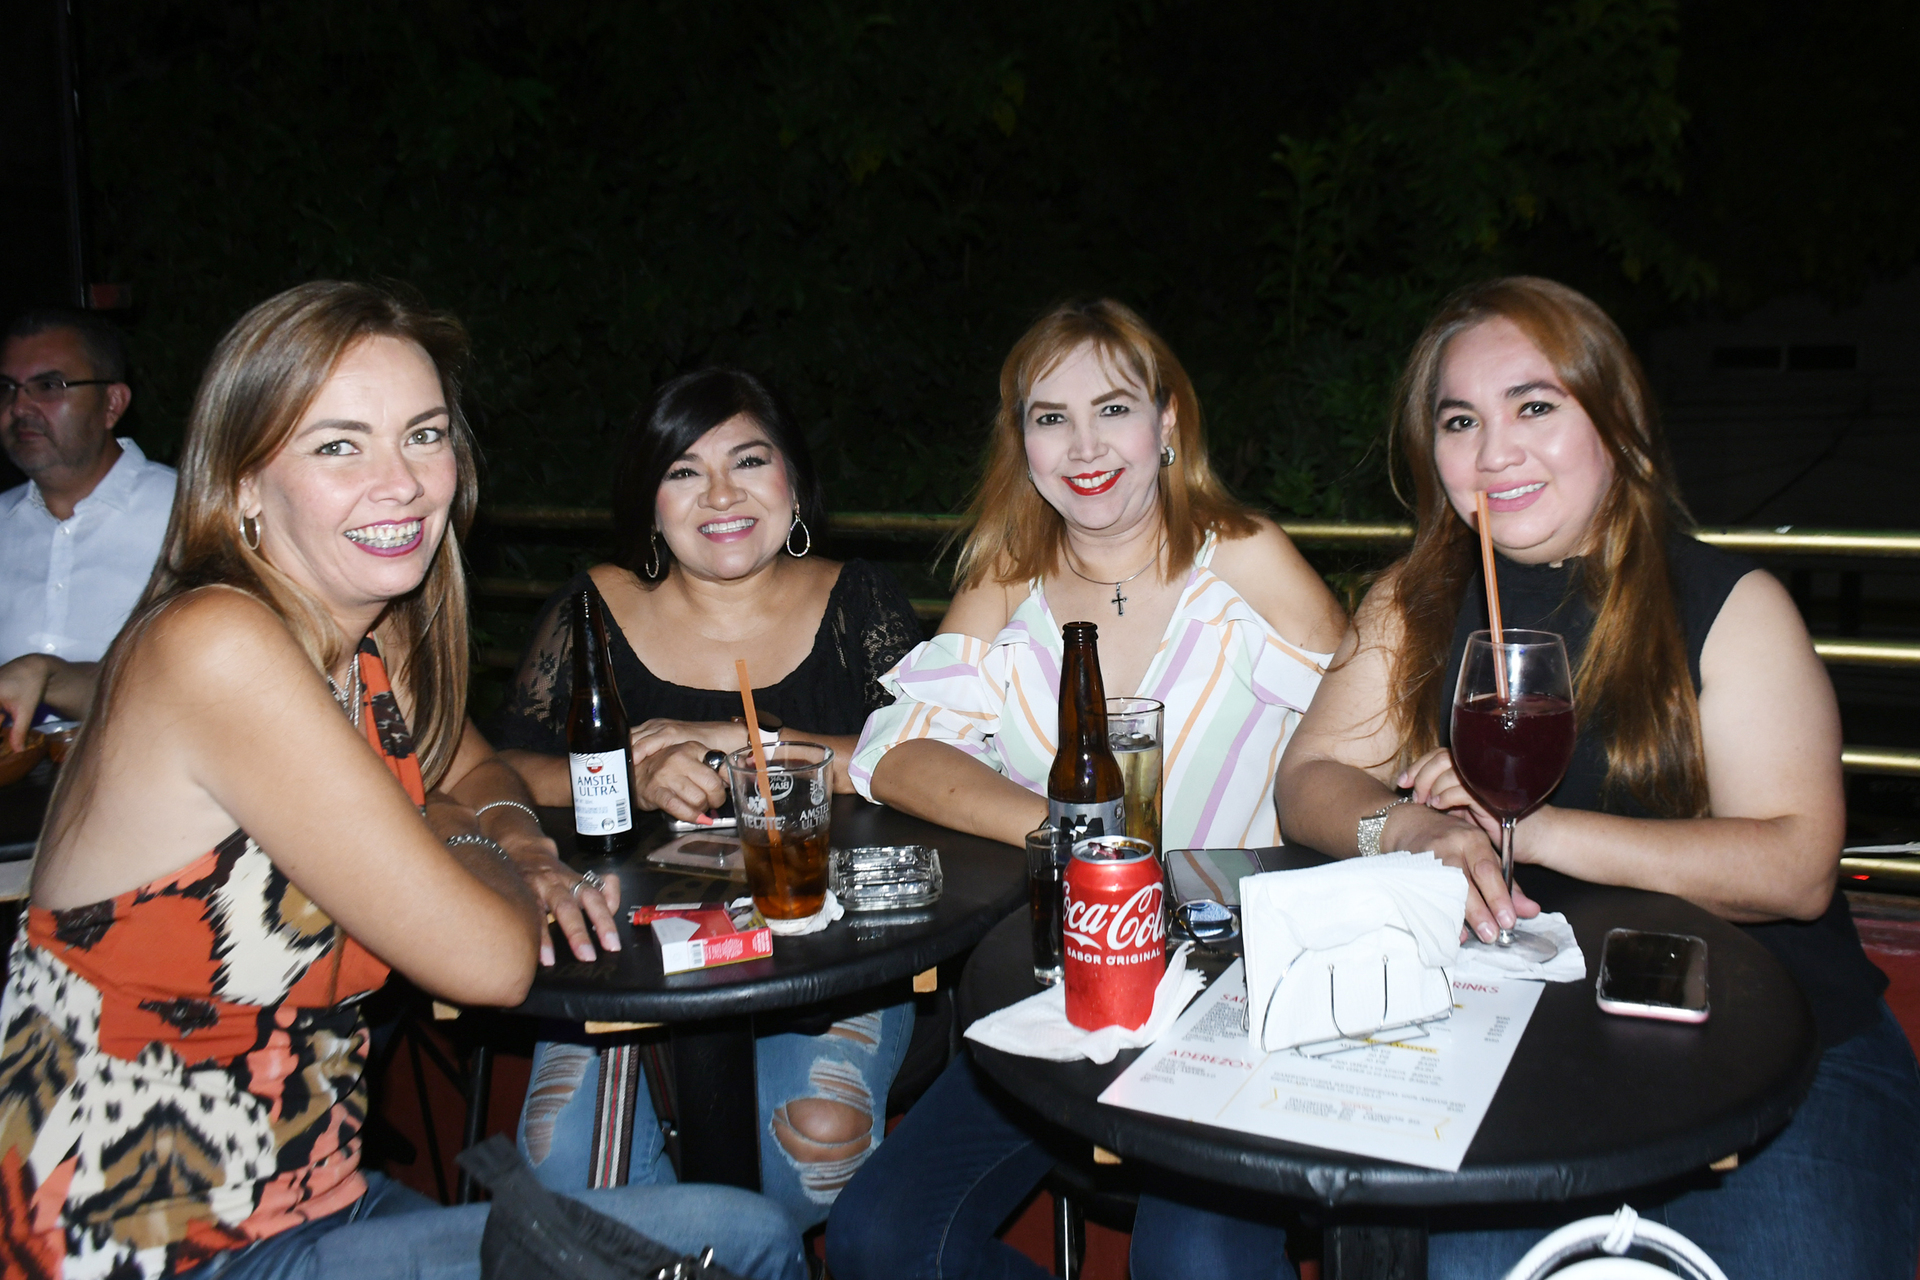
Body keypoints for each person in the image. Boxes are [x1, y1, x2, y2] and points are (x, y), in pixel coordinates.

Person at [0, 281, 804, 1280]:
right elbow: (490, 961)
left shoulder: (367, 643)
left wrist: (517, 843)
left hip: (314, 1195)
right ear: (243, 483)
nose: (404, 482)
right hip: (145, 1242)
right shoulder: (218, 644)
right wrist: (460, 829)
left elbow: (474, 765)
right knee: (744, 1240)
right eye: (339, 445)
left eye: (423, 436)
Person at [1260, 276, 1919, 1278]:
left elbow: (1795, 868)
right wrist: (1411, 830)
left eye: (1534, 406)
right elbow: (1309, 776)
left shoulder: (1728, 604)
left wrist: (1531, 829)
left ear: (1616, 419)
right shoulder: (1415, 601)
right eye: (1460, 421)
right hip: (1521, 1031)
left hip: (1782, 1034)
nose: (1494, 453)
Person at [825, 299, 1349, 1280]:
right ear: (1020, 441)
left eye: (1112, 408)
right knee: (880, 1238)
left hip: (1236, 986)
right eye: (1050, 417)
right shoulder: (1007, 577)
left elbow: (1370, 737)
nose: (1083, 446)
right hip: (1067, 978)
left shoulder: (1244, 558)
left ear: (1168, 422)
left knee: (1193, 1261)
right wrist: (1082, 836)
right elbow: (896, 752)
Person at [492, 368, 925, 1228]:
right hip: (627, 956)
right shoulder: (593, 609)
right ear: (649, 502)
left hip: (833, 950)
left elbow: (923, 760)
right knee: (565, 1155)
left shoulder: (859, 599)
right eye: (684, 470)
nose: (720, 494)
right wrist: (622, 773)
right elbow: (502, 766)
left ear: (793, 482)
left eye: (749, 461)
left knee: (816, 1148)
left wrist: (734, 740)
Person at [0, 309, 176, 749]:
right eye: (6, 389)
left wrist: (52, 678)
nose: (19, 407)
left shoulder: (189, 515)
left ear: (112, 404)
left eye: (48, 386)